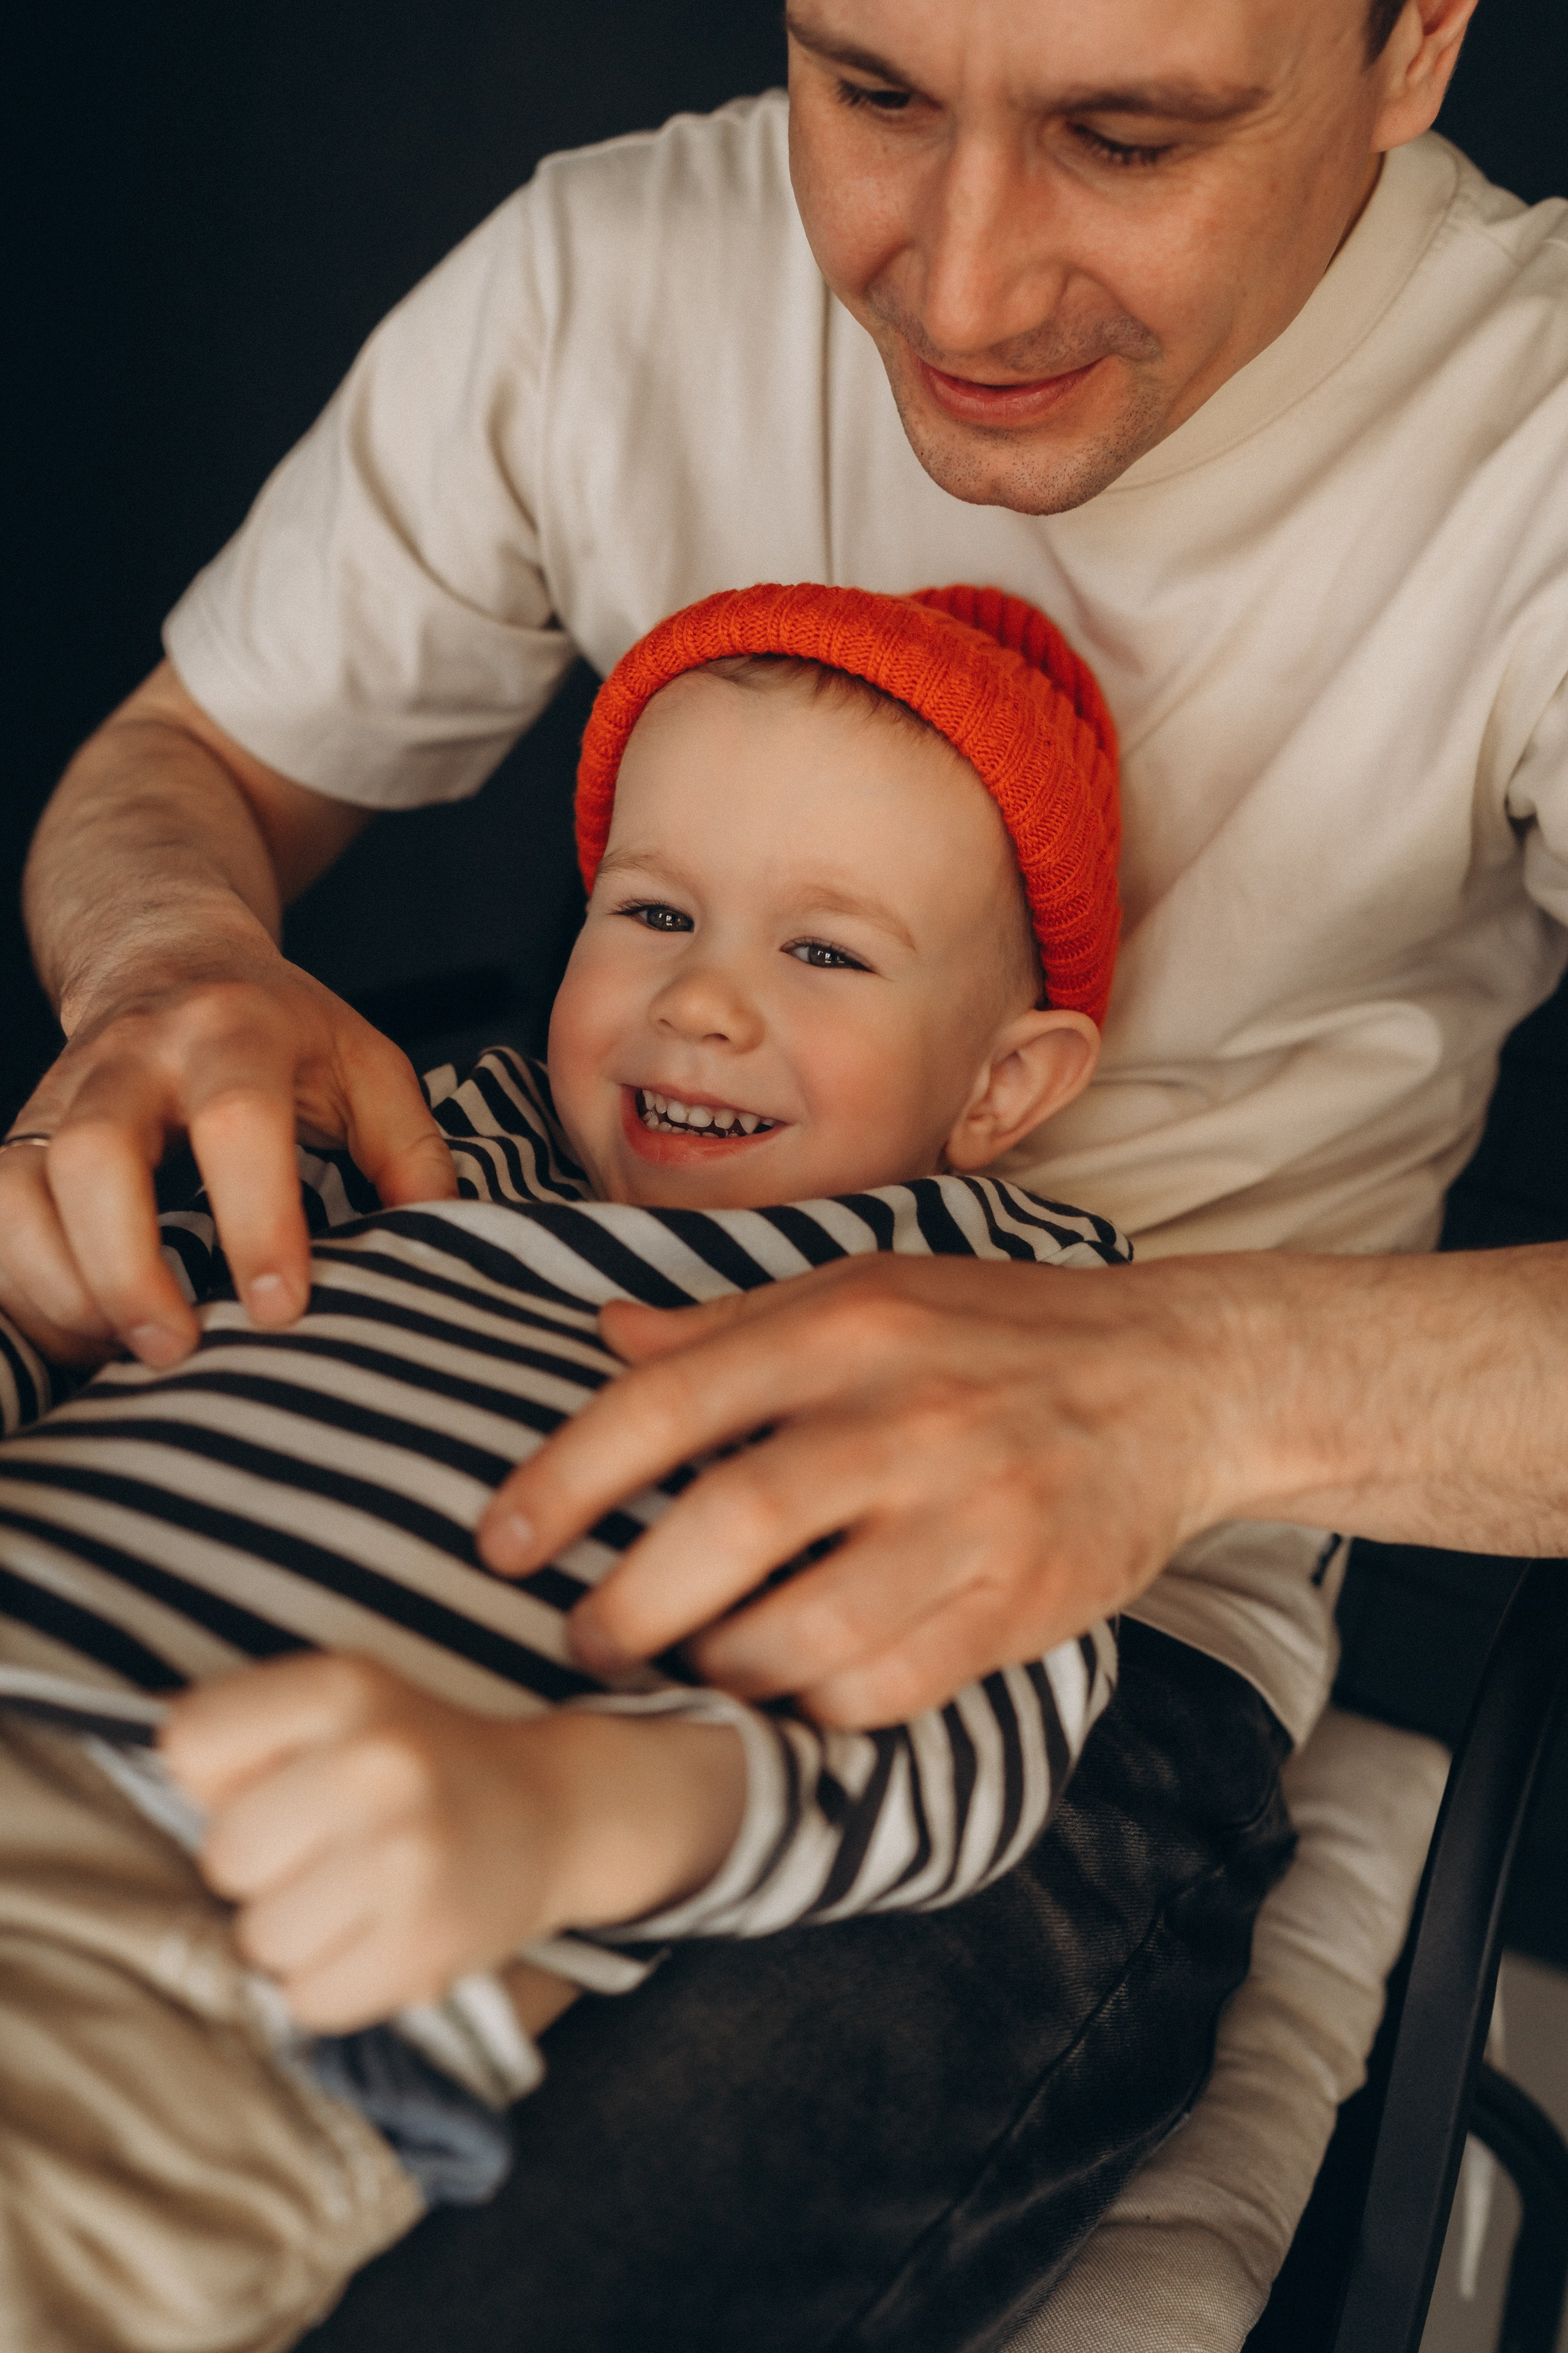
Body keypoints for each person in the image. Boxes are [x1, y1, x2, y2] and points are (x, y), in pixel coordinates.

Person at [6, 0, 1567, 2327]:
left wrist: (1179, 1389)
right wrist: (164, 956)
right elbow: (195, 760)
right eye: (875, 94)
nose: (953, 289)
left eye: (1127, 136)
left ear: (1419, 35)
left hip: (1076, 1641)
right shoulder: (608, 272)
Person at [0, 584, 1291, 2353]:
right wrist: (45, 1275)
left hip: (219, 1949)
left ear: (1001, 1089)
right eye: (656, 909)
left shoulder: (993, 1333)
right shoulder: (422, 1138)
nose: (702, 1000)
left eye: (824, 951)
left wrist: (561, 1815)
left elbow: (954, 1746)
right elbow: (113, 1255)